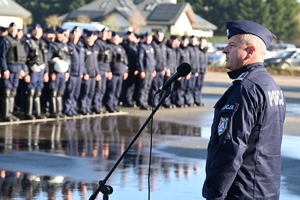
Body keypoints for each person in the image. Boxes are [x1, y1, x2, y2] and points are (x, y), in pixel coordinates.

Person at [202, 20, 286, 200]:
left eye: (232, 45)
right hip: (265, 191)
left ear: (250, 51)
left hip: (242, 192)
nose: (225, 50)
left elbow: (230, 149)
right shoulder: (272, 87)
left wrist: (215, 194)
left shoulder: (245, 90)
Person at [0, 22, 27, 121]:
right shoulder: (5, 40)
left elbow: (22, 57)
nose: (13, 30)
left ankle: (10, 113)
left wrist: (22, 69)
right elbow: (2, 56)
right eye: (11, 28)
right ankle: (5, 114)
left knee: (13, 92)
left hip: (17, 70)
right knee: (6, 92)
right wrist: (5, 69)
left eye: (15, 29)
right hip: (9, 69)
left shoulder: (18, 41)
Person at [23, 24, 49, 119]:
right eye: (35, 31)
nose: (37, 33)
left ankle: (37, 112)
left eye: (39, 31)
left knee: (38, 92)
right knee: (31, 92)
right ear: (32, 32)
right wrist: (26, 73)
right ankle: (28, 113)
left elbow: (45, 59)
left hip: (41, 71)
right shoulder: (28, 43)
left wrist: (47, 72)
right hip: (32, 71)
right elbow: (24, 59)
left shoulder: (43, 43)